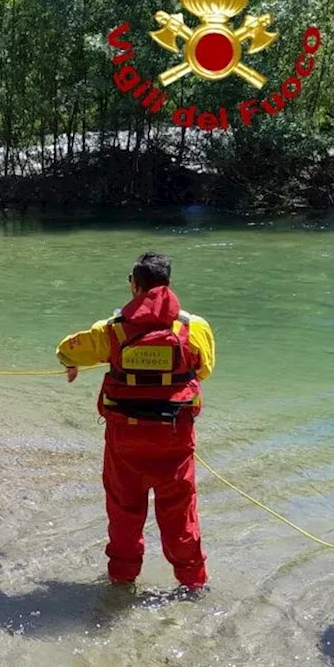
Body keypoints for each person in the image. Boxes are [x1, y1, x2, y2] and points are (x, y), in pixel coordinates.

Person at [55, 252, 216, 595]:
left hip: (124, 440)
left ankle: (122, 582)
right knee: (180, 514)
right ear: (168, 284)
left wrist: (69, 363)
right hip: (175, 439)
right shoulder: (193, 327)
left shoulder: (110, 330)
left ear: (134, 285)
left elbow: (67, 349)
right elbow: (204, 370)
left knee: (124, 511)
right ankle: (193, 585)